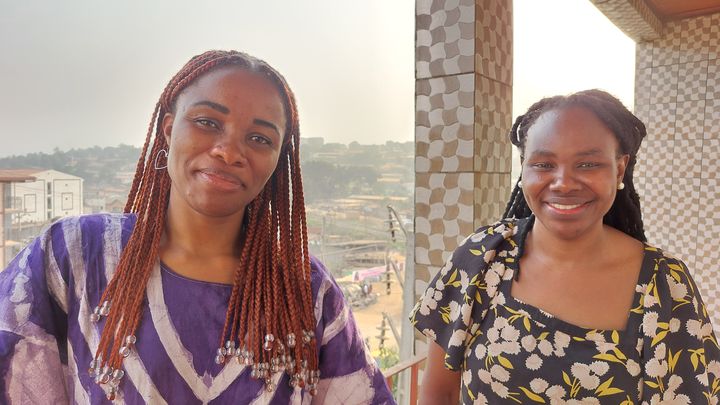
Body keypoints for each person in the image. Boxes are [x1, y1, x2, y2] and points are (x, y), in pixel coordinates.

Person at [0, 50, 394, 404]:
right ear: (169, 130)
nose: (228, 151)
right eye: (207, 122)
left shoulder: (305, 292)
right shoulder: (74, 256)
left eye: (259, 138)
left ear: (277, 162)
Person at [411, 89, 720, 404]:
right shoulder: (482, 257)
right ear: (524, 169)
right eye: (544, 164)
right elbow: (441, 392)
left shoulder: (664, 284)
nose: (563, 182)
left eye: (587, 164)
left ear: (620, 169)